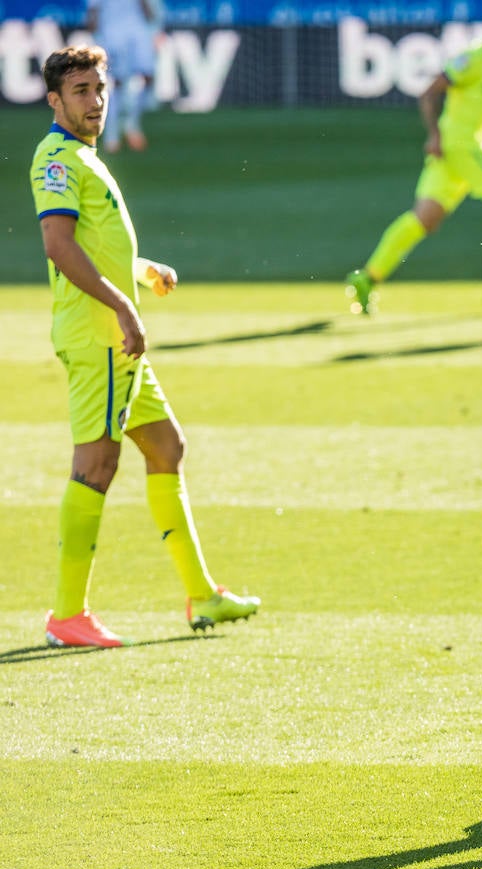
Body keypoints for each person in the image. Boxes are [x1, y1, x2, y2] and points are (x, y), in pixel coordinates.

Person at [32, 46, 260, 649]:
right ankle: (66, 616)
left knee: (166, 447)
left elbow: (96, 247)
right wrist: (124, 306)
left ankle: (202, 594)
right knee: (96, 466)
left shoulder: (85, 156)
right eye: (80, 90)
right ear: (54, 100)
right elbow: (59, 245)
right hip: (99, 338)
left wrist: (139, 270)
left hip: (114, 338)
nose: (95, 100)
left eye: (99, 87)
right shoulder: (56, 158)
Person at [345, 1, 482, 316]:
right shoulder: (474, 58)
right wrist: (434, 134)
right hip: (461, 144)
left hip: (462, 148)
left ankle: (367, 277)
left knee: (425, 218)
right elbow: (429, 93)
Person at [86, 0, 161, 154]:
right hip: (112, 32)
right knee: (114, 83)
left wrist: (152, 22)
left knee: (147, 76)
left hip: (138, 30)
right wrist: (97, 37)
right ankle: (111, 134)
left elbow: (149, 9)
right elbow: (93, 10)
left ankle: (131, 123)